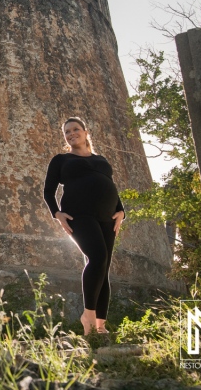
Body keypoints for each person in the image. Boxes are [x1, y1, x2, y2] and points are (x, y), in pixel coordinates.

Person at [43, 117, 125, 335]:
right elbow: (48, 191)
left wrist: (121, 210)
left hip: (107, 217)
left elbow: (110, 186)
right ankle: (87, 315)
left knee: (104, 267)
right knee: (97, 257)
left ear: (86, 132)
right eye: (67, 132)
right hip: (78, 215)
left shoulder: (101, 160)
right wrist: (56, 213)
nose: (71, 134)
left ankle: (100, 326)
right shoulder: (61, 160)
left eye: (75, 129)